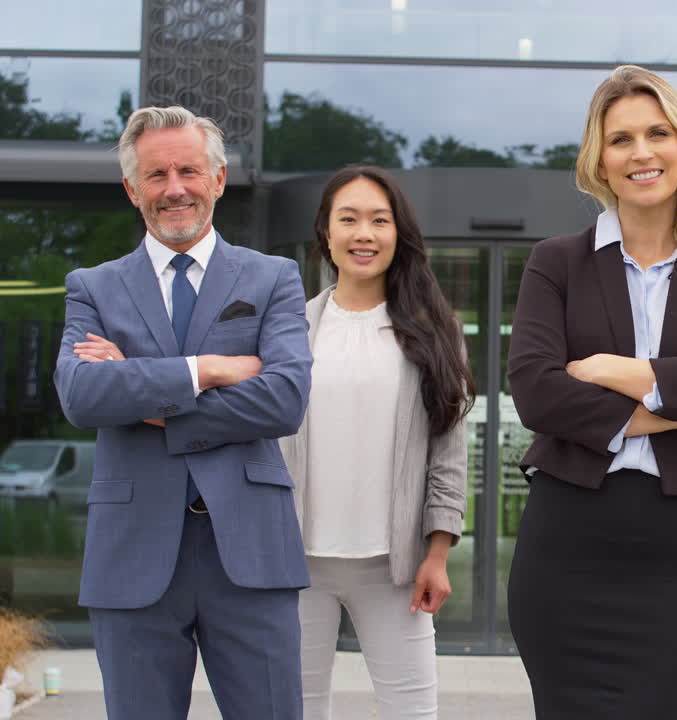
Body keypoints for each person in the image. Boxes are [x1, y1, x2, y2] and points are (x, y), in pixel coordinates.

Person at [505, 65, 677, 720]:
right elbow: (537, 394)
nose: (641, 152)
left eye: (658, 133)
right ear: (599, 158)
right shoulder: (556, 262)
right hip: (567, 541)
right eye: (621, 138)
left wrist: (605, 368)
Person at [53, 106, 312, 719]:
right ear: (132, 188)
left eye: (189, 171)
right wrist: (209, 369)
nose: (175, 189)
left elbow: (284, 398)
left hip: (250, 551)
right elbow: (83, 396)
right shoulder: (92, 287)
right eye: (157, 174)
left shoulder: (274, 277)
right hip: (132, 554)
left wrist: (145, 396)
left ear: (218, 179)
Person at [278, 165, 473, 720]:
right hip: (296, 561)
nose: (364, 234)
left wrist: (438, 553)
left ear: (398, 233)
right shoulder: (289, 328)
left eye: (379, 221)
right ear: (326, 232)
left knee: (412, 710)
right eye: (349, 219)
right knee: (293, 708)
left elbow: (447, 455)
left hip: (395, 566)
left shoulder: (436, 332)